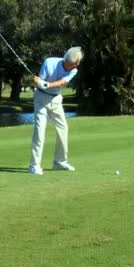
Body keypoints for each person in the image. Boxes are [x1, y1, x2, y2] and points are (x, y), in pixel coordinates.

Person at [29, 46, 83, 175]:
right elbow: (39, 83)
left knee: (63, 128)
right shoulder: (49, 62)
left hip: (56, 99)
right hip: (41, 98)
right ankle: (34, 165)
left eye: (77, 62)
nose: (77, 65)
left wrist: (46, 84)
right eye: (75, 63)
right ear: (67, 61)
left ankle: (59, 162)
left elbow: (61, 83)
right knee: (40, 130)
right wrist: (38, 82)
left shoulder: (74, 70)